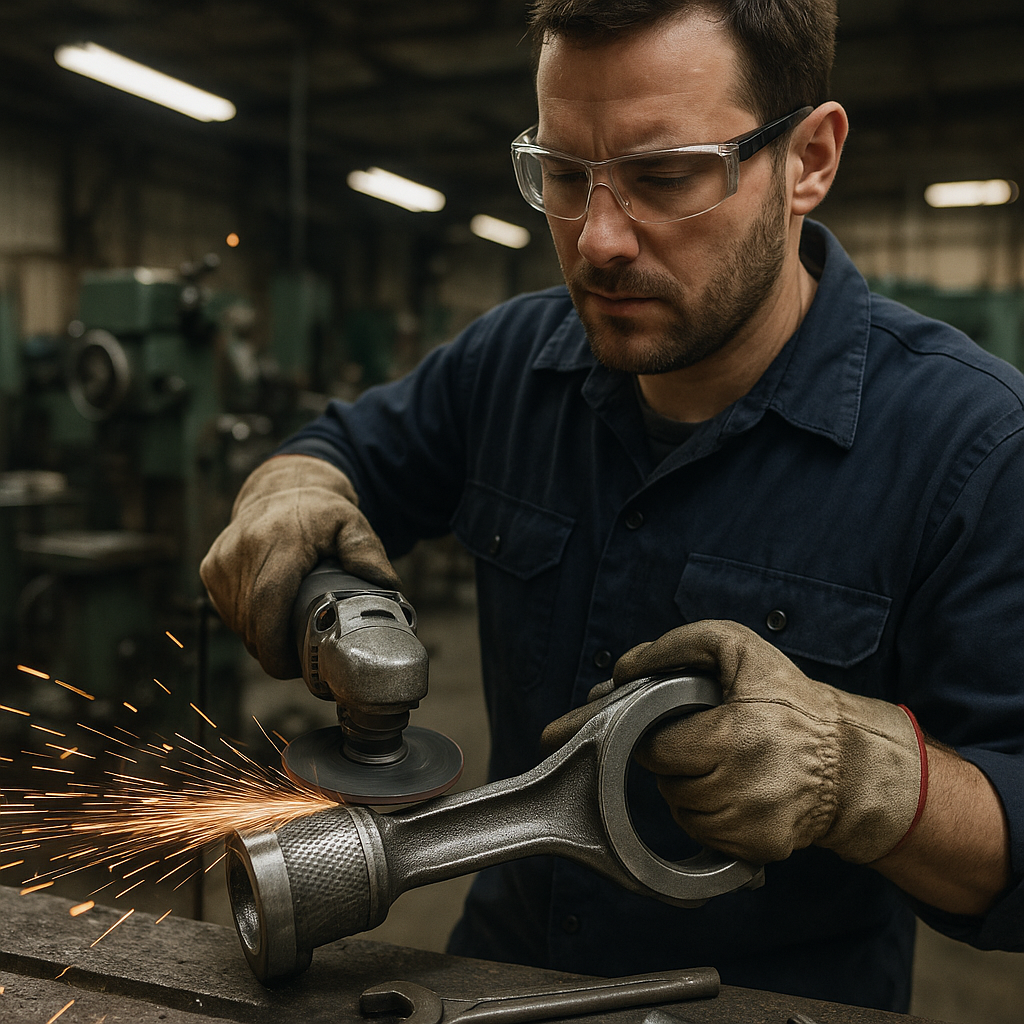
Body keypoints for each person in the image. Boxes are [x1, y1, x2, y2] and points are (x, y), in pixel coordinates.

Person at [201, 0, 1024, 1012]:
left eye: (664, 176)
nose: (596, 240)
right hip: (487, 986)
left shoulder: (971, 447)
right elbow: (338, 453)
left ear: (808, 158)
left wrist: (861, 776)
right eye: (559, 174)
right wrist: (291, 483)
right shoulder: (507, 364)